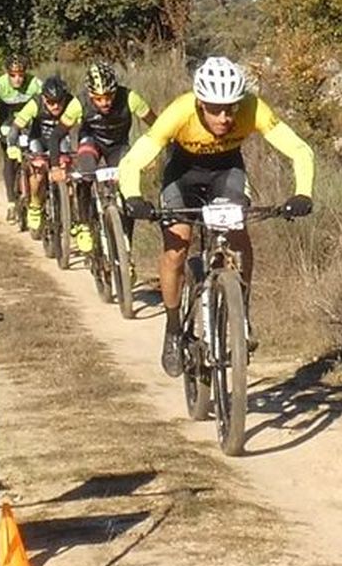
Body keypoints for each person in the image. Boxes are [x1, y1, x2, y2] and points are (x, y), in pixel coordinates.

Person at [117, 56, 314, 376]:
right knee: (176, 248)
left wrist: (303, 192)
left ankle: (241, 313)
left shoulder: (253, 108)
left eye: (231, 108)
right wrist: (133, 197)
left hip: (227, 171)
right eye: (214, 108)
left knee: (238, 233)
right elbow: (134, 160)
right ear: (199, 103)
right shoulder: (179, 112)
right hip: (183, 174)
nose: (224, 117)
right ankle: (172, 329)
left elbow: (299, 150)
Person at [66, 61, 157, 254]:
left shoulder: (130, 98)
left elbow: (158, 128)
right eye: (98, 98)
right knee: (86, 173)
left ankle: (126, 247)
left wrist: (152, 155)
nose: (105, 103)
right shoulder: (79, 102)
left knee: (128, 190)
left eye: (109, 96)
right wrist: (57, 165)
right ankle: (84, 223)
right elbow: (58, 133)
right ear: (90, 94)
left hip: (118, 146)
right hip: (91, 142)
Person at [0, 55, 42, 222]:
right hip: (7, 125)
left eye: (21, 74)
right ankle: (11, 203)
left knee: (38, 156)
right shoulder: (0, 85)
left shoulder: (34, 83)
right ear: (7, 74)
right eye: (13, 75)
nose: (17, 79)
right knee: (10, 162)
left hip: (28, 124)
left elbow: (48, 98)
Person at [10, 74, 75, 238]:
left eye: (59, 102)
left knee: (67, 173)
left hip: (60, 140)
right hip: (38, 140)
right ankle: (35, 206)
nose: (55, 106)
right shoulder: (35, 103)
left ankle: (69, 216)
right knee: (37, 173)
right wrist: (12, 145)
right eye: (50, 102)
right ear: (44, 98)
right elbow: (16, 127)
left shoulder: (72, 103)